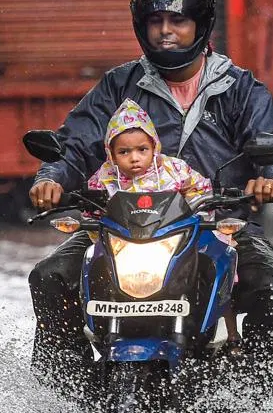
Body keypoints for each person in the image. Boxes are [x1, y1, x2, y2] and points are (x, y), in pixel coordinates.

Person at [27, 0, 273, 402]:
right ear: (142, 26)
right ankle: (65, 402)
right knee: (49, 277)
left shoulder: (240, 88)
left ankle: (266, 405)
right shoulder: (119, 85)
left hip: (216, 224)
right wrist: (52, 178)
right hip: (120, 226)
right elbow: (74, 144)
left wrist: (271, 179)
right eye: (156, 21)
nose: (166, 31)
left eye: (178, 20)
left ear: (201, 25)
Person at [85, 97, 242, 347]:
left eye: (141, 150)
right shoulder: (104, 177)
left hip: (174, 241)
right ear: (111, 153)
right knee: (91, 260)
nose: (134, 158)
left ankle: (230, 332)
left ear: (154, 146)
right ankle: (93, 329)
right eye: (124, 152)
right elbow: (92, 210)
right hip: (124, 246)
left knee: (220, 255)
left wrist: (199, 212)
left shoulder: (173, 169)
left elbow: (200, 189)